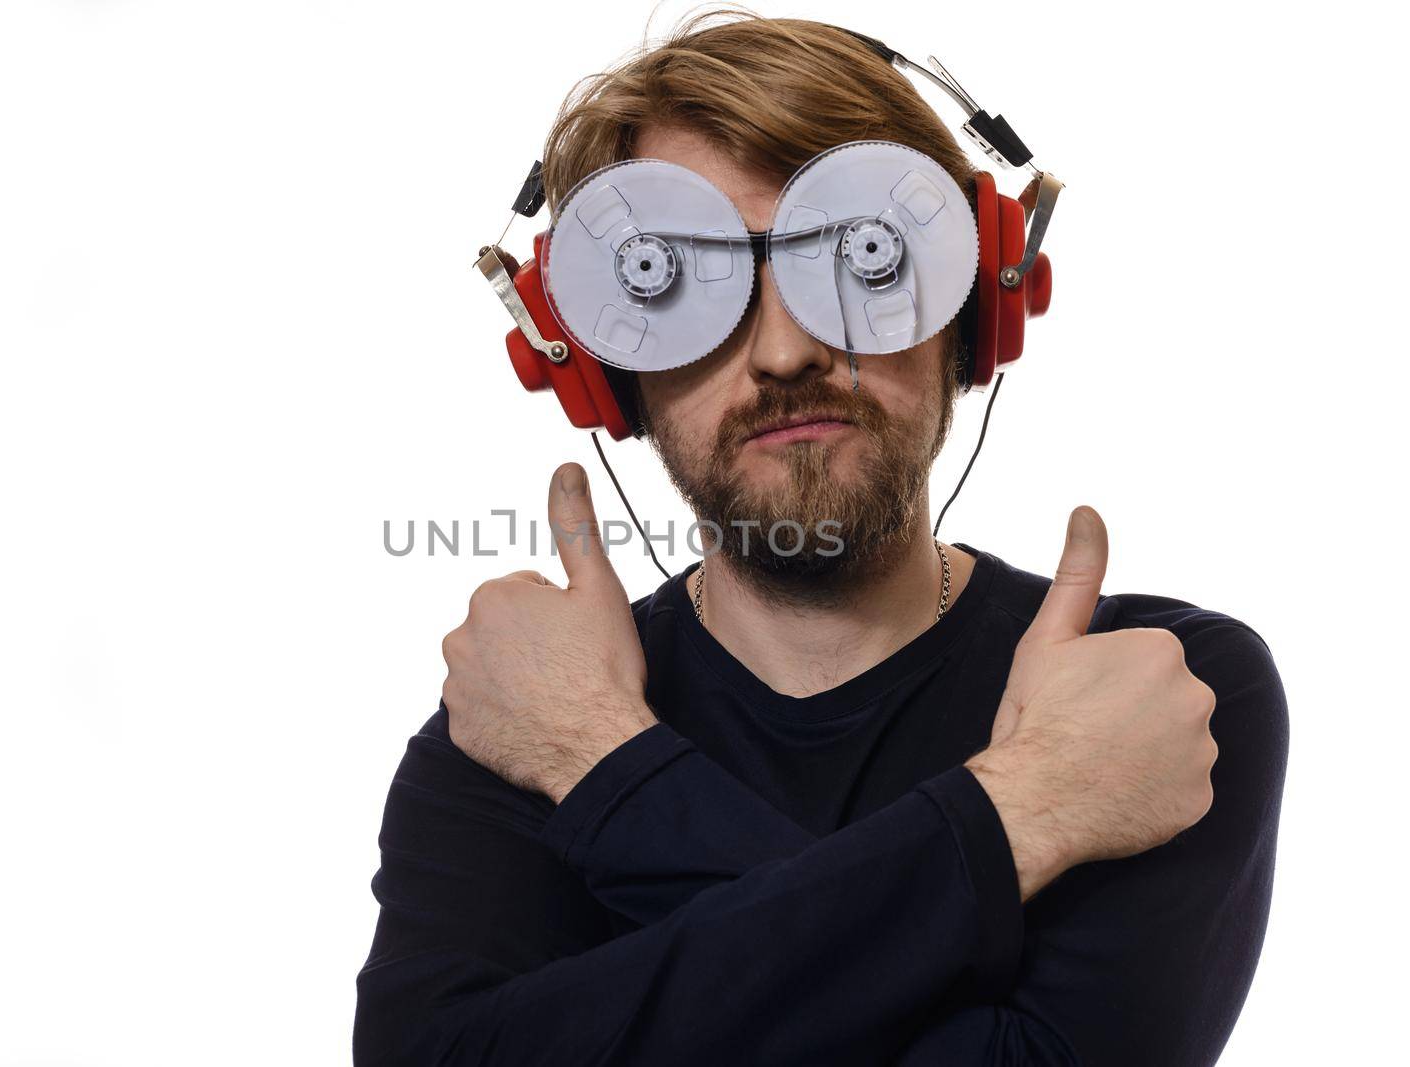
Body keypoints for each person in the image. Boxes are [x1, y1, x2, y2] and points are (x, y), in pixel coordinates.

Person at [355, 14, 1287, 1065]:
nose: (787, 350)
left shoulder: (1155, 690)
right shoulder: (518, 707)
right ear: (596, 369)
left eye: (862, 260)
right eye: (676, 283)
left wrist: (604, 770)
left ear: (980, 299)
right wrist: (1026, 810)